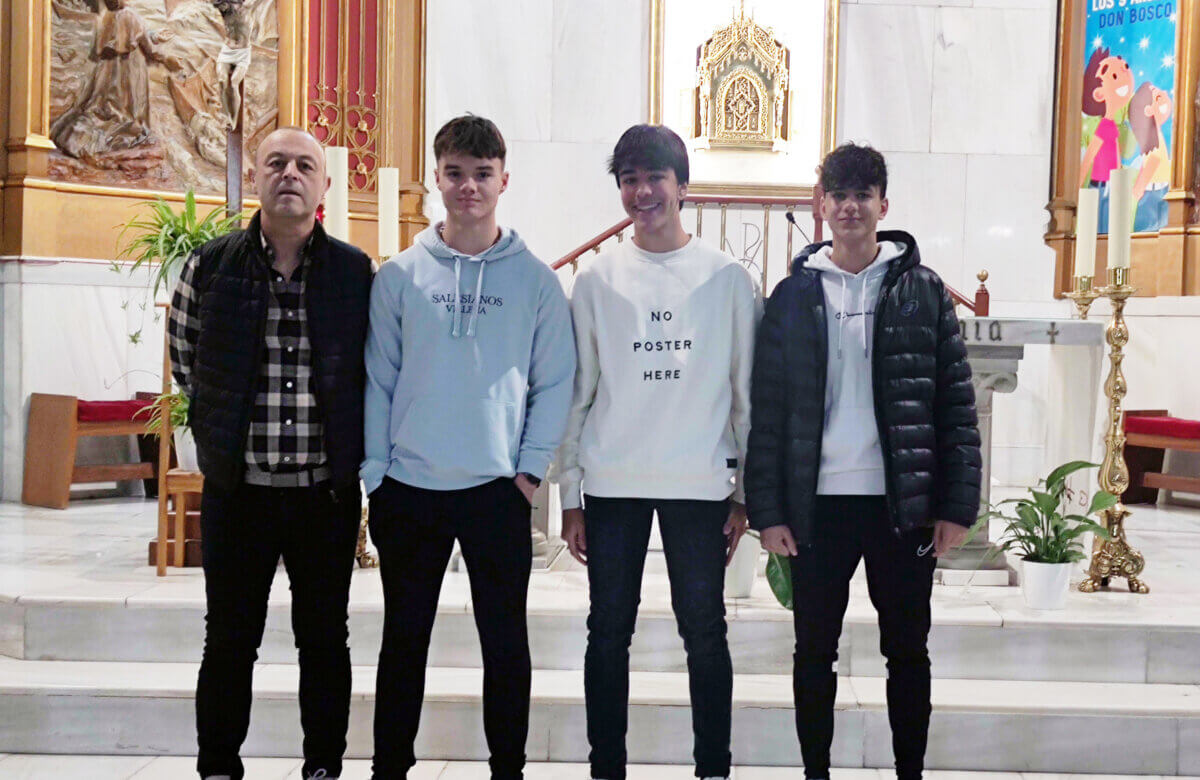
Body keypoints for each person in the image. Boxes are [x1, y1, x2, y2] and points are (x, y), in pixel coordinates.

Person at [745, 142, 981, 780]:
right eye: (839, 195)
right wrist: (767, 511)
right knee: (812, 653)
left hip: (899, 505)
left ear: (884, 205)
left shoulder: (922, 291)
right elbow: (768, 410)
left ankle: (910, 772)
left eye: (863, 195)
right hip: (816, 504)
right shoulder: (792, 296)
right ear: (821, 206)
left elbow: (956, 405)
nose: (850, 207)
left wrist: (956, 507)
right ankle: (815, 773)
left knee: (907, 652)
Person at [362, 114, 576, 780]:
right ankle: (389, 769)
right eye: (455, 173)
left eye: (482, 174)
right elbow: (378, 380)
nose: (468, 187)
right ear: (437, 177)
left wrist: (530, 472)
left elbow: (555, 382)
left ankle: (508, 769)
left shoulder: (536, 281)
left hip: (495, 489)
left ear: (504, 180)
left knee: (505, 644)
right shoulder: (399, 276)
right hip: (410, 488)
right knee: (403, 642)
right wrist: (376, 475)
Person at [168, 126, 374, 780]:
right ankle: (218, 767)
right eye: (276, 163)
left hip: (324, 495)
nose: (290, 174)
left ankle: (323, 767)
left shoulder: (354, 273)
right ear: (256, 177)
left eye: (304, 165)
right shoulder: (210, 266)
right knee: (230, 639)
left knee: (325, 639)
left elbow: (370, 371)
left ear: (324, 184)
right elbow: (186, 363)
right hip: (239, 492)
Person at [556, 123, 758, 780]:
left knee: (704, 629)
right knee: (608, 629)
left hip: (698, 480)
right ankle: (605, 769)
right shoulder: (596, 280)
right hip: (613, 480)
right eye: (630, 180)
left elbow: (745, 394)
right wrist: (570, 495)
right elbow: (579, 394)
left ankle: (713, 769)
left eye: (655, 178)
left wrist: (745, 493)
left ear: (682, 186)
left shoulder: (727, 279)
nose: (642, 192)